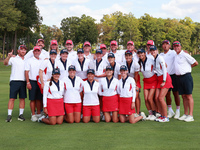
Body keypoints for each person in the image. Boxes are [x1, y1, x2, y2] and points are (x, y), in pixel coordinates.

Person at [173, 41, 198, 122]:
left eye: (178, 46)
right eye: (175, 46)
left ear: (180, 46)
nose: (176, 47)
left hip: (186, 76)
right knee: (183, 96)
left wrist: (189, 67)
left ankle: (191, 115)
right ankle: (185, 114)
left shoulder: (185, 54)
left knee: (188, 96)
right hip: (179, 78)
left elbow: (195, 63)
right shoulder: (175, 55)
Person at [149, 45, 173, 122]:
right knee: (156, 98)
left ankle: (166, 117)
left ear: (157, 51)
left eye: (154, 50)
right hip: (159, 79)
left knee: (161, 98)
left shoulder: (160, 58)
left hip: (165, 79)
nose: (153, 52)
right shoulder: (154, 59)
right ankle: (162, 115)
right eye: (151, 50)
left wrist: (164, 81)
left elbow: (164, 70)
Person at [4, 45, 27, 122]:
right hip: (14, 81)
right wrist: (8, 57)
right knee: (12, 98)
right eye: (21, 50)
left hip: (23, 81)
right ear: (18, 51)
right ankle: (9, 115)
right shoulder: (13, 58)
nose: (23, 51)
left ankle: (21, 115)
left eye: (24, 50)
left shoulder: (27, 59)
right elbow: (5, 63)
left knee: (22, 98)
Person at [160, 40, 180, 119]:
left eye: (167, 44)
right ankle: (170, 110)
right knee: (167, 94)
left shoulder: (173, 52)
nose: (165, 46)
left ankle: (178, 110)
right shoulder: (160, 55)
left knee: (175, 93)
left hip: (174, 75)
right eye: (163, 44)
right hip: (166, 76)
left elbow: (180, 52)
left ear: (169, 46)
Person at [137, 48, 157, 121]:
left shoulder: (151, 60)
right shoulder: (139, 62)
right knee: (146, 99)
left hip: (153, 79)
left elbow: (158, 65)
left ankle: (154, 114)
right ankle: (150, 113)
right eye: (139, 53)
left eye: (141, 53)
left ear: (145, 53)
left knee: (150, 98)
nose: (140, 55)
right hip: (146, 81)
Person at [25, 46, 43, 122]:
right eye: (35, 51)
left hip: (39, 81)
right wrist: (28, 82)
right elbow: (26, 72)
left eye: (38, 51)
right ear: (33, 52)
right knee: (32, 99)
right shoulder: (29, 60)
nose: (37, 52)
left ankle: (38, 113)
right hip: (32, 81)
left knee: (39, 99)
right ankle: (33, 114)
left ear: (40, 52)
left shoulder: (42, 60)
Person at [122, 50, 141, 115]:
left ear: (132, 56)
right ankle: (128, 111)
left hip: (135, 79)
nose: (128, 57)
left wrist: (135, 85)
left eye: (129, 55)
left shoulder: (136, 64)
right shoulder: (123, 63)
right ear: (125, 56)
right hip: (127, 80)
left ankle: (137, 113)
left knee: (136, 95)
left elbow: (136, 75)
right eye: (126, 55)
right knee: (128, 95)